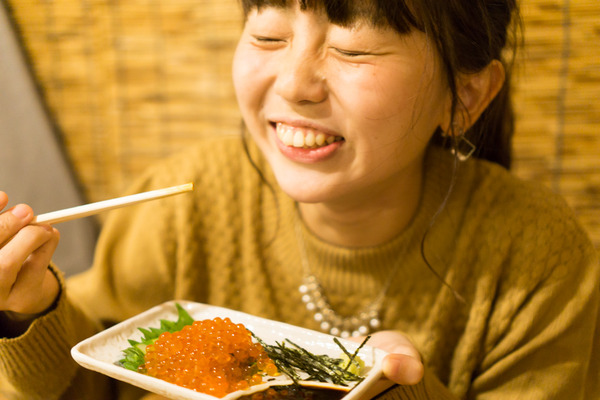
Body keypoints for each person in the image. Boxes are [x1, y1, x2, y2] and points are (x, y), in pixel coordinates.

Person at [0, 0, 598, 399]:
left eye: (354, 48)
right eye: (268, 35)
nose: (292, 84)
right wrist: (32, 309)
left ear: (464, 95)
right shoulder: (182, 202)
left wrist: (395, 390)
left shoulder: (536, 254)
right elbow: (97, 384)